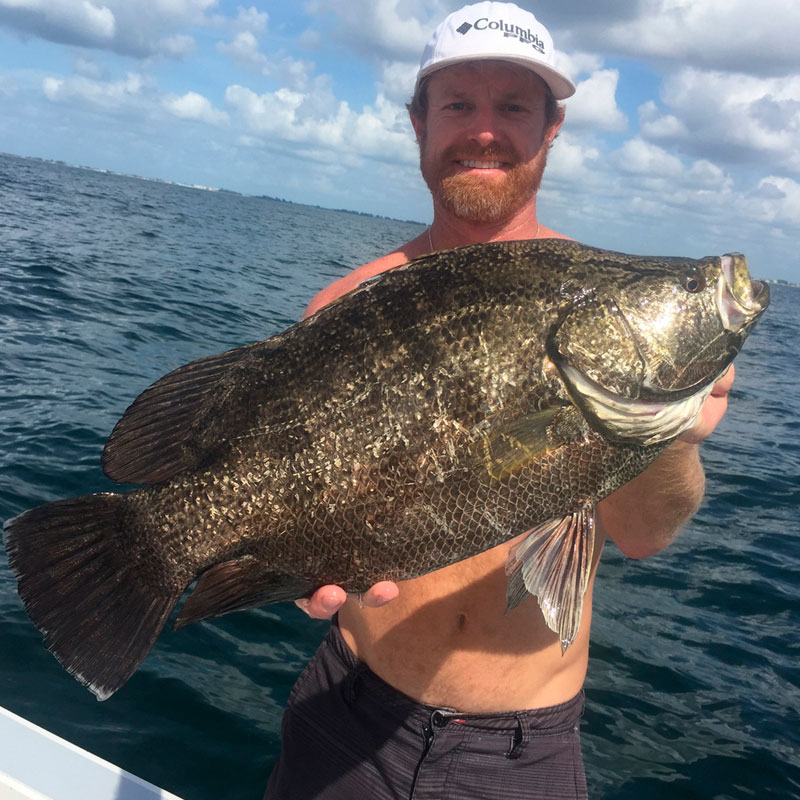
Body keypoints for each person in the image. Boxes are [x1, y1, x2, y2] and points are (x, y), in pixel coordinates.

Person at [265, 3, 734, 798]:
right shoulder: (345, 306)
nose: (484, 129)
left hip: (523, 754)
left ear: (551, 129)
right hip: (342, 711)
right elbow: (292, 499)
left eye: (513, 106)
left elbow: (646, 536)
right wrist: (284, 564)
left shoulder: (613, 312)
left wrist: (669, 435)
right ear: (419, 123)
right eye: (459, 104)